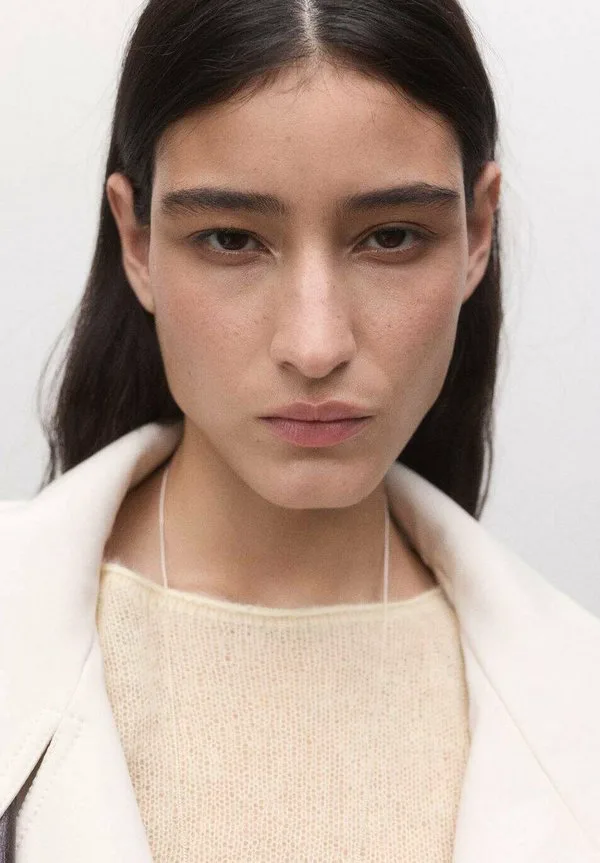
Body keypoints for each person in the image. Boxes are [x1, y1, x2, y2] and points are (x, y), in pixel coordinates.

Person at [1, 0, 600, 860]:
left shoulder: (577, 696)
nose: (315, 345)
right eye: (231, 239)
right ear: (136, 240)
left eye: (391, 237)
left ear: (478, 233)